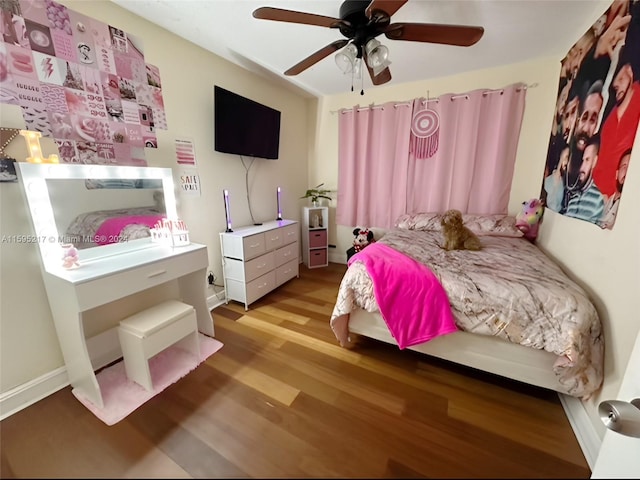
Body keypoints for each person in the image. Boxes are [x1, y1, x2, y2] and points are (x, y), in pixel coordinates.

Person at [564, 135, 605, 223]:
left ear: (595, 162)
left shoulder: (599, 200)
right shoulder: (573, 199)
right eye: (583, 160)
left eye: (587, 160)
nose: (582, 167)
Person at [599, 148, 630, 229]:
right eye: (624, 166)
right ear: (617, 174)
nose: (627, 170)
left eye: (630, 167)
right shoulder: (601, 201)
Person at [544, 144, 570, 212]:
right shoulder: (551, 179)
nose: (566, 161)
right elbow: (553, 206)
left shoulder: (568, 181)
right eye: (565, 157)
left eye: (568, 157)